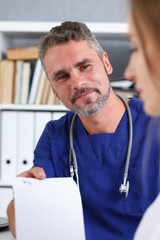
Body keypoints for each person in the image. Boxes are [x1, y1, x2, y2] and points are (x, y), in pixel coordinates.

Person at [7, 21, 160, 240]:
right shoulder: (55, 136)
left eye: (84, 66)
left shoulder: (154, 122)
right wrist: (24, 196)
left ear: (106, 63)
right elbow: (27, 224)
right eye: (62, 76)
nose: (77, 82)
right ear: (53, 90)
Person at [124, 0, 160, 239]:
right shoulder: (56, 133)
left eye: (135, 48)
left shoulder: (146, 120)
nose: (128, 72)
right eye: (61, 76)